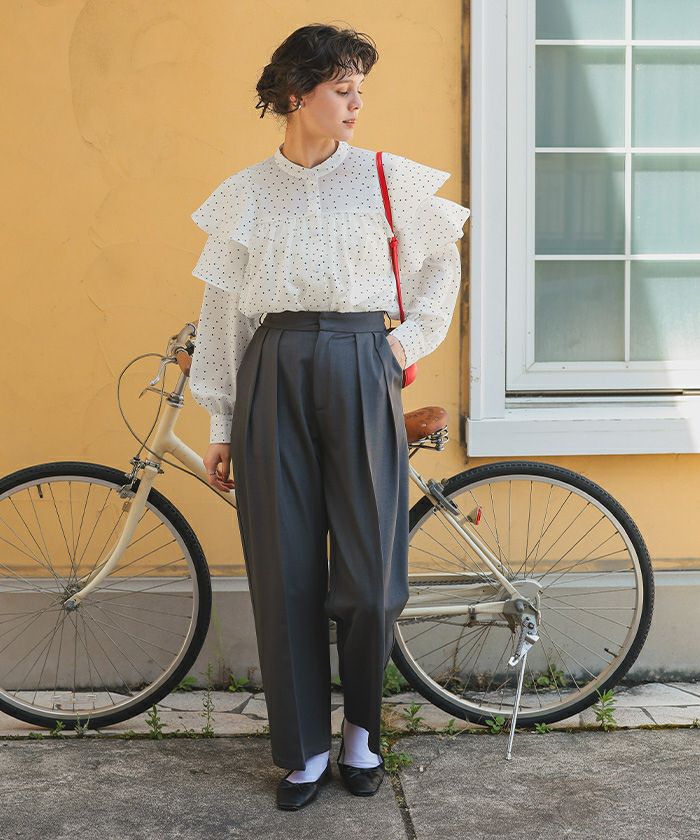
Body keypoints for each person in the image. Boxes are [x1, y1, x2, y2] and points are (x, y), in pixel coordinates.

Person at [188, 23, 470, 811]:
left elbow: (442, 268)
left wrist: (400, 345)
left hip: (359, 360)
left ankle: (361, 734)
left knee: (372, 578)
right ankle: (305, 748)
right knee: (284, 570)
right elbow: (223, 316)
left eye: (359, 91)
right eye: (342, 89)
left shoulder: (385, 178)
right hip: (271, 368)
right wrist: (220, 421)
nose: (355, 104)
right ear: (295, 95)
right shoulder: (246, 194)